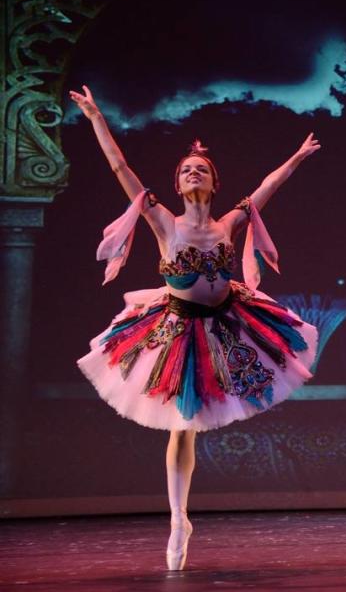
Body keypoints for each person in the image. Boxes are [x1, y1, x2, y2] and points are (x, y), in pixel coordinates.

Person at [71, 85, 322, 570]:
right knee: (181, 427)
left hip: (228, 325)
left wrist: (298, 156)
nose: (192, 172)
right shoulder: (163, 221)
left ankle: (184, 513)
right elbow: (120, 168)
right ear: (178, 183)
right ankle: (178, 518)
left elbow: (268, 189)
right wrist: (98, 117)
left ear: (211, 182)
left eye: (200, 169)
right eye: (186, 169)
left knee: (197, 424)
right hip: (179, 331)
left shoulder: (228, 223)